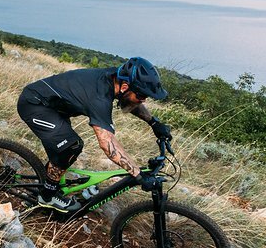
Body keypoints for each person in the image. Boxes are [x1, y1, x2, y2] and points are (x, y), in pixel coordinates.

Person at [17, 57, 172, 211]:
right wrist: (138, 174)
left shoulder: (114, 78)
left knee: (63, 147)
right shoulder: (99, 97)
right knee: (70, 146)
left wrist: (154, 123)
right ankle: (47, 196)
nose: (143, 101)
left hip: (55, 107)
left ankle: (50, 180)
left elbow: (131, 101)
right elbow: (107, 143)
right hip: (34, 104)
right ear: (125, 86)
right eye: (141, 96)